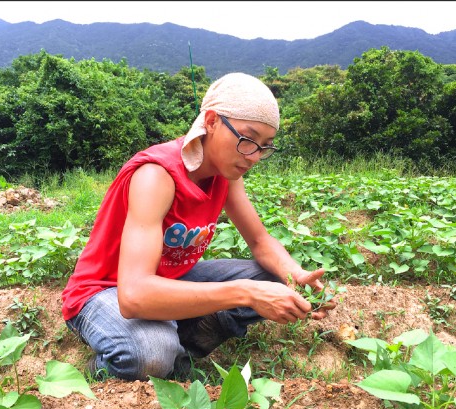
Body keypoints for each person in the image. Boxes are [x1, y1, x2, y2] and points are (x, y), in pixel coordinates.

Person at [61, 72, 336, 381]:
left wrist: (295, 275)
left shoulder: (226, 173)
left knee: (276, 277)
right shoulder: (157, 176)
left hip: (168, 280)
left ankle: (182, 344)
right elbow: (134, 294)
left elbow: (259, 241)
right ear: (212, 121)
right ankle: (116, 362)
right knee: (150, 355)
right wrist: (245, 292)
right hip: (105, 291)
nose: (255, 156)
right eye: (247, 139)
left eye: (265, 146)